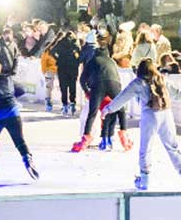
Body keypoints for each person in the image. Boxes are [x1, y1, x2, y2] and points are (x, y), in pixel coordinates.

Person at [101, 59, 181, 190]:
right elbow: (177, 94)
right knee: (172, 147)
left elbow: (123, 97)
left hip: (150, 116)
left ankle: (144, 180)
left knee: (146, 149)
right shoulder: (162, 79)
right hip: (166, 114)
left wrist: (108, 109)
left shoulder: (138, 83)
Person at [73, 36, 124, 152]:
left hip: (96, 89)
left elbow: (82, 78)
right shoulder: (111, 62)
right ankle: (108, 139)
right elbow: (117, 79)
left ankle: (87, 138)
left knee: (91, 114)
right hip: (111, 89)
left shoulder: (91, 59)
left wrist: (87, 91)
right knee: (111, 114)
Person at [50, 30, 81, 116]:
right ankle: (73, 103)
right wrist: (76, 61)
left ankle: (65, 105)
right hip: (73, 68)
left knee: (63, 87)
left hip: (62, 67)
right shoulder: (75, 44)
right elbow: (80, 55)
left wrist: (58, 59)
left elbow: (52, 52)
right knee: (72, 86)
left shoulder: (60, 43)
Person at [40, 35, 58, 113]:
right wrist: (45, 71)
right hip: (50, 71)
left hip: (59, 70)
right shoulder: (46, 53)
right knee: (49, 86)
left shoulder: (57, 52)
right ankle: (48, 100)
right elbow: (43, 63)